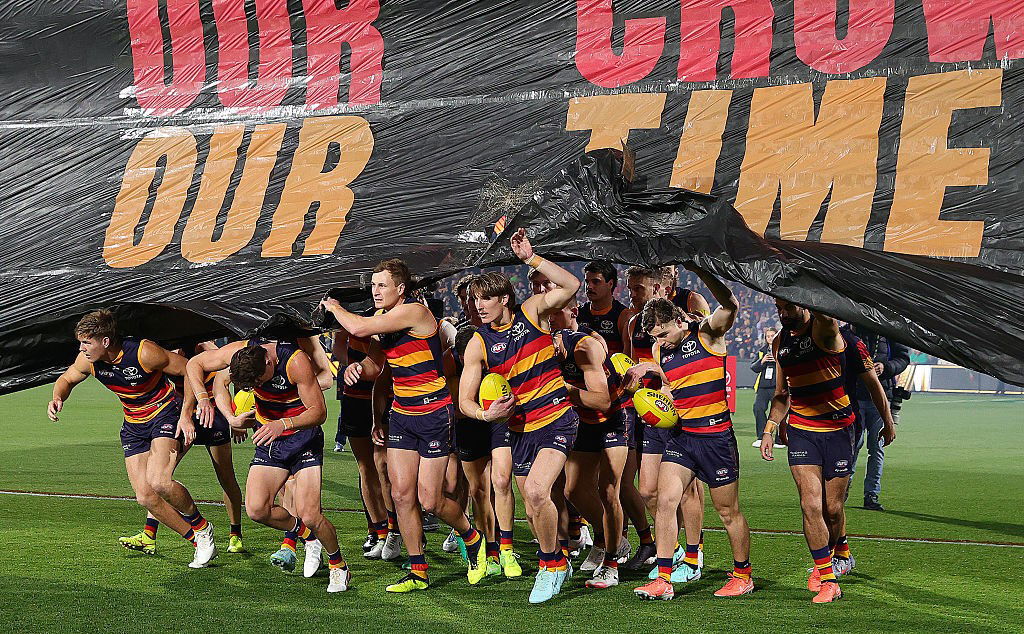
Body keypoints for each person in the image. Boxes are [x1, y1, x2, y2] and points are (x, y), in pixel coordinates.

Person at [320, 259, 488, 592]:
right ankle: (418, 572)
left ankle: (473, 537)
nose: (375, 291)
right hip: (401, 414)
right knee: (400, 495)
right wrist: (359, 371)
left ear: (400, 289)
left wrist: (335, 306)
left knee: (430, 500)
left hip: (433, 413)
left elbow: (357, 328)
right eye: (372, 285)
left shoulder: (415, 312)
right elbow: (375, 364)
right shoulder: (383, 321)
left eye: (381, 285)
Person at [457, 229, 582, 604]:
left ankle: (551, 564)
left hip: (557, 416)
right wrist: (484, 413)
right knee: (533, 502)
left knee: (534, 490)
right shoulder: (478, 341)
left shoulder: (532, 311)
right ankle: (557, 556)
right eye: (476, 300)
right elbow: (464, 400)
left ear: (506, 298)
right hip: (519, 427)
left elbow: (571, 284)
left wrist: (531, 258)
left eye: (487, 299)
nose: (479, 306)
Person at [47, 310, 216, 568]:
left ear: (105, 341)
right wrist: (58, 397)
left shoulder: (143, 352)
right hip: (134, 425)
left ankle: (203, 527)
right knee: (146, 497)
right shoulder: (88, 360)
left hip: (165, 413)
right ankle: (198, 540)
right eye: (80, 342)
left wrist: (186, 415)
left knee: (160, 481)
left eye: (86, 342)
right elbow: (67, 379)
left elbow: (189, 369)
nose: (81, 348)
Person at [185, 338, 351, 593]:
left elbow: (319, 412)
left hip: (303, 438)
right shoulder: (239, 353)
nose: (258, 387)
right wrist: (209, 403)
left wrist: (283, 424)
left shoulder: (295, 361)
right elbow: (196, 365)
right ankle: (308, 537)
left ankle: (338, 565)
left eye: (259, 381)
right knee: (257, 510)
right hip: (269, 438)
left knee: (311, 514)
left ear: (268, 361)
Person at [760, 301, 896, 604]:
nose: (783, 314)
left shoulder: (830, 332)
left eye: (789, 307)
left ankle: (841, 549)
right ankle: (826, 576)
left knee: (833, 509)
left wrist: (887, 421)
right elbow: (782, 395)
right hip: (802, 431)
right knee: (811, 505)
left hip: (839, 430)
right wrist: (770, 429)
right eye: (779, 308)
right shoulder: (780, 341)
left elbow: (873, 384)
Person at [633, 265, 753, 600]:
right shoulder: (661, 350)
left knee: (728, 512)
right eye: (654, 337)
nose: (658, 342)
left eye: (663, 334)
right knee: (665, 500)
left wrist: (703, 269)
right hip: (682, 438)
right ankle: (664, 578)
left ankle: (743, 575)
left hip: (716, 439)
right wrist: (657, 398)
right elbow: (675, 388)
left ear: (680, 321)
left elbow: (730, 305)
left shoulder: (708, 334)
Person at [551, 298, 630, 589]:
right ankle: (614, 539)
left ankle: (611, 564)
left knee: (609, 491)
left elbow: (602, 399)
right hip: (582, 422)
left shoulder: (584, 347)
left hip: (612, 419)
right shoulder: (543, 349)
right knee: (573, 489)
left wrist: (564, 389)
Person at [331, 321, 392, 557]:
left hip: (385, 395)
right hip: (356, 395)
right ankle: (378, 531)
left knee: (384, 467)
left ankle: (393, 530)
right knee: (367, 468)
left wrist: (355, 365)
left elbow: (377, 366)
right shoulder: (351, 317)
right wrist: (351, 365)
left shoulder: (383, 316)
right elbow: (337, 347)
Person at [849, 326, 910, 511]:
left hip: (882, 397)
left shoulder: (890, 332)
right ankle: (842, 488)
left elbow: (903, 358)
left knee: (876, 449)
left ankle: (871, 495)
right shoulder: (850, 331)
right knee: (853, 446)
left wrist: (886, 367)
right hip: (855, 397)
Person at [578, 260, 630, 354]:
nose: (589, 286)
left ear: (610, 284)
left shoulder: (623, 316)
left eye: (596, 282)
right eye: (587, 282)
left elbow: (628, 357)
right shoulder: (578, 313)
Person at [750, 327, 783, 448]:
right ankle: (760, 437)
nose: (770, 338)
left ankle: (780, 439)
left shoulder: (782, 349)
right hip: (763, 387)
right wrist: (762, 361)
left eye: (772, 335)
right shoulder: (761, 351)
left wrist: (778, 361)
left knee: (779, 412)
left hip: (778, 386)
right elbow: (753, 367)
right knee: (758, 408)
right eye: (768, 336)